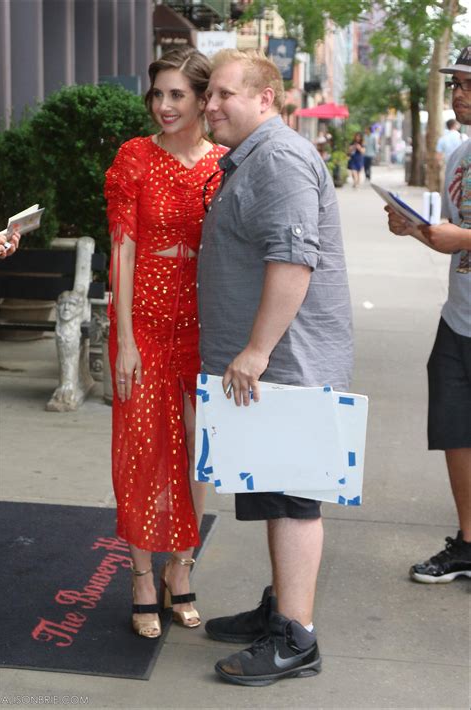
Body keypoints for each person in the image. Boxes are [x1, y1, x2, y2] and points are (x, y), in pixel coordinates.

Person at [198, 49, 353, 685]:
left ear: (267, 99)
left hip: (288, 363)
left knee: (294, 501)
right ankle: (280, 609)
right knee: (274, 488)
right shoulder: (256, 157)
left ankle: (297, 638)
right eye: (208, 94)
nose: (211, 105)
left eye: (224, 94)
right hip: (268, 368)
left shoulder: (281, 158)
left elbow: (293, 260)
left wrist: (257, 350)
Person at [104, 47, 225, 638]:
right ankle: (142, 576)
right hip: (144, 321)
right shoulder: (134, 157)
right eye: (157, 94)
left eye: (177, 94)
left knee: (197, 446)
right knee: (143, 446)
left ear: (204, 99)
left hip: (202, 323)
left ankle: (182, 566)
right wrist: (124, 339)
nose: (164, 105)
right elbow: (122, 248)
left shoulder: (224, 163)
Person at [386, 45, 471, 584]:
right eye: (456, 83)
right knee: (454, 429)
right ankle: (468, 542)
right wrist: (417, 228)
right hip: (459, 317)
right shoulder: (460, 155)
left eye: (467, 84)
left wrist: (454, 236)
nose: (458, 94)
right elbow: (453, 232)